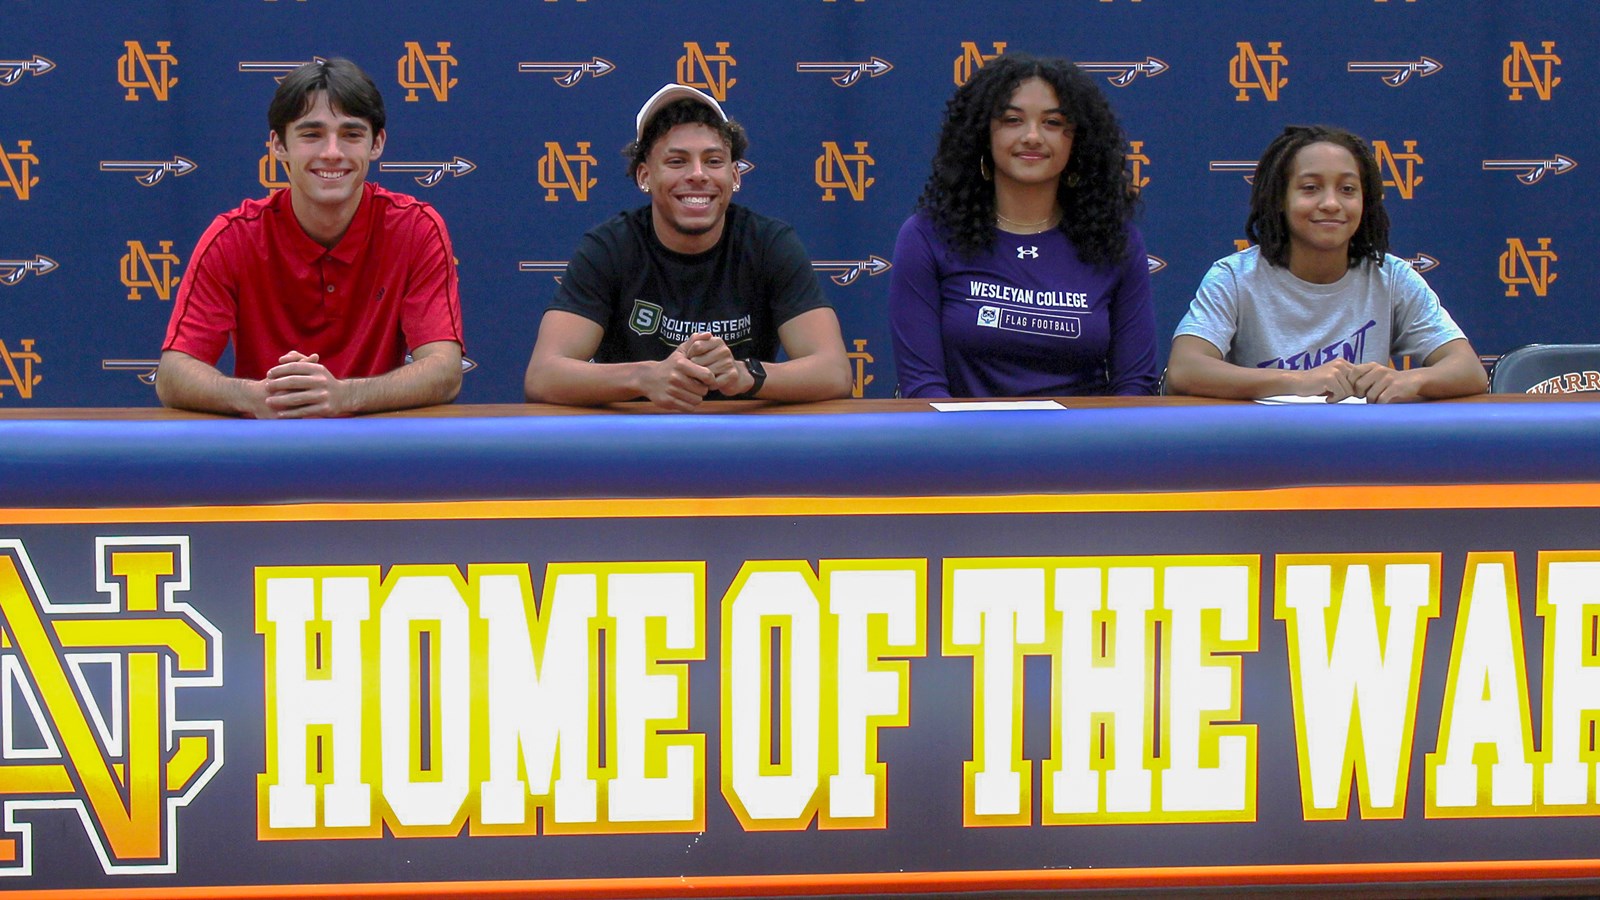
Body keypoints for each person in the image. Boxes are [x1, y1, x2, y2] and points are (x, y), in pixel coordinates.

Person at [157, 58, 464, 418]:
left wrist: (345, 396)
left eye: (351, 134)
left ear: (377, 143)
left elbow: (445, 370)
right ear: (278, 145)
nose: (332, 152)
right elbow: (173, 374)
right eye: (311, 134)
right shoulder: (233, 237)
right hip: (268, 443)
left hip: (377, 445)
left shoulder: (416, 228)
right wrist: (256, 397)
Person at [524, 83, 851, 411]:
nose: (698, 175)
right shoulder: (609, 247)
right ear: (644, 176)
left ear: (735, 176)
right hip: (635, 436)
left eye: (713, 161)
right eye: (677, 161)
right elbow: (543, 375)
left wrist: (745, 374)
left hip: (741, 435)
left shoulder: (769, 243)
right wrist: (645, 377)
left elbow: (834, 372)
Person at [888, 52, 1157, 398]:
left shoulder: (1115, 240)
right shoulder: (928, 235)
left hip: (1084, 433)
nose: (1032, 136)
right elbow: (923, 387)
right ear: (983, 134)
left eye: (1053, 123)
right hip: (962, 432)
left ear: (1077, 140)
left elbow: (1135, 385)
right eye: (1013, 120)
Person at [1168, 125, 1486, 403]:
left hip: (1359, 445)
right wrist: (1299, 382)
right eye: (1310, 188)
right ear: (1280, 199)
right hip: (1262, 444)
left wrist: (1408, 380)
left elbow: (1468, 370)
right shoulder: (1235, 277)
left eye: (1347, 190)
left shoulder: (1392, 277)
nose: (1331, 203)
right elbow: (1185, 369)